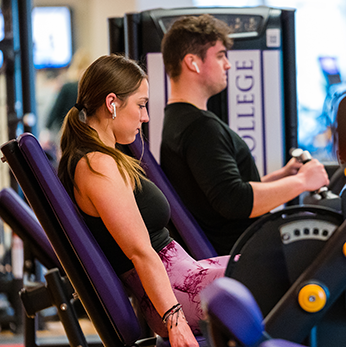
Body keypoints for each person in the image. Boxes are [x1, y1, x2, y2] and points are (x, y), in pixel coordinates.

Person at [57, 54, 229, 347]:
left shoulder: (105, 158)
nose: (145, 116)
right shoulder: (96, 165)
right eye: (141, 105)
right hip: (174, 295)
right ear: (112, 103)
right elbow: (140, 252)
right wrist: (174, 321)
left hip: (184, 280)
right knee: (280, 271)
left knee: (272, 258)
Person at [160, 14, 330, 255]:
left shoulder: (179, 119)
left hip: (243, 247)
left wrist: (282, 177)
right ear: (192, 62)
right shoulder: (200, 128)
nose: (227, 64)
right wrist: (302, 182)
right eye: (219, 56)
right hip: (245, 257)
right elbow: (235, 202)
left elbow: (220, 194)